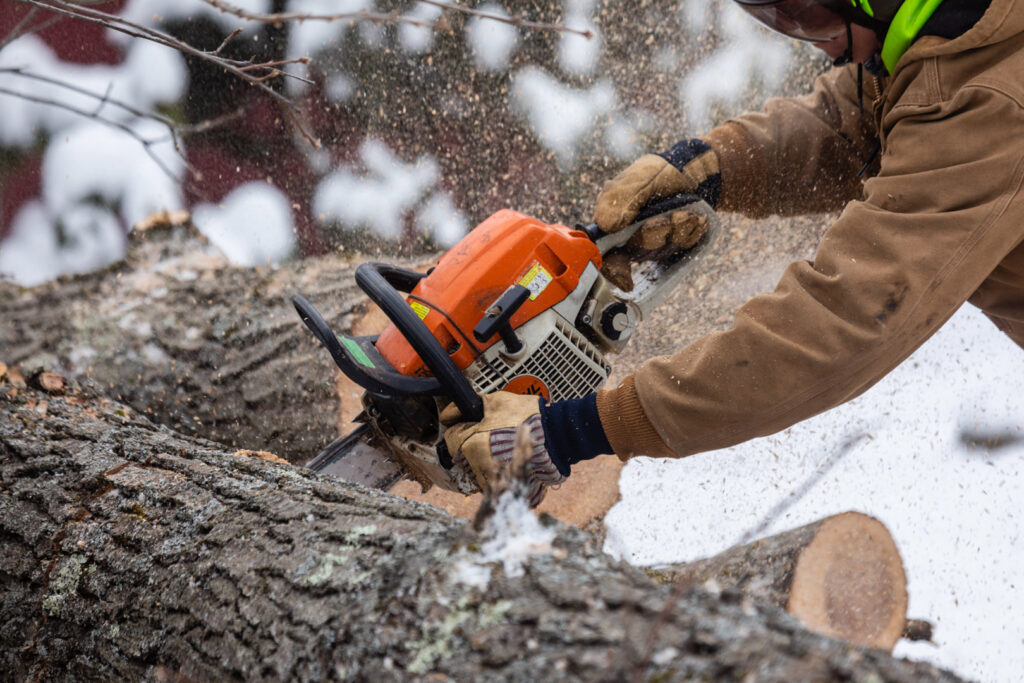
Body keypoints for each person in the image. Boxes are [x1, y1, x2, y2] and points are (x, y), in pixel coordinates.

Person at [442, 0, 1023, 506]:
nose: (807, 35)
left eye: (805, 11)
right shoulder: (952, 33)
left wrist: (577, 428)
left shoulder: (988, 97)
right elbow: (855, 122)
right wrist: (713, 166)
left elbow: (846, 320)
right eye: (774, 14)